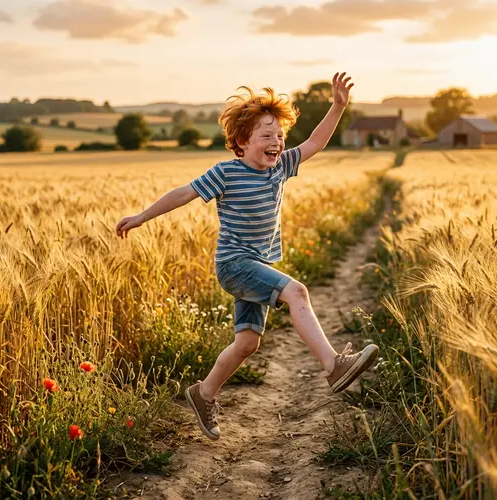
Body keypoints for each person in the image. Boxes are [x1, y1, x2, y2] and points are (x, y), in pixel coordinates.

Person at [115, 72, 379, 441]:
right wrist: (142, 216)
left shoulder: (281, 166)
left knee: (248, 343)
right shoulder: (227, 173)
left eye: (279, 136)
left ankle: (203, 394)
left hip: (257, 266)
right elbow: (184, 194)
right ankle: (334, 365)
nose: (277, 142)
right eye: (266, 136)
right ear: (242, 141)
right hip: (234, 266)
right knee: (297, 291)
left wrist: (337, 106)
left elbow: (316, 142)